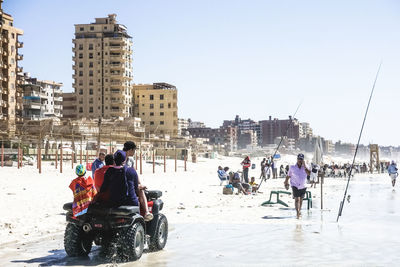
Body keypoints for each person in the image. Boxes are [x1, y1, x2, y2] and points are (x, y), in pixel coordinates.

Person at [123, 141, 153, 221]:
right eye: (134, 150)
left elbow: (135, 173)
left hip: (131, 183)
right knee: (140, 191)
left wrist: (139, 184)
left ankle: (146, 212)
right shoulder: (121, 159)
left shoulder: (131, 160)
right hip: (125, 184)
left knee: (141, 190)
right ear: (130, 150)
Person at [284, 153, 310, 219]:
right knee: (297, 199)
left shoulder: (306, 166)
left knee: (301, 200)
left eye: (301, 159)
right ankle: (298, 213)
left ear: (303, 160)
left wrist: (304, 166)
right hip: (294, 185)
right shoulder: (292, 167)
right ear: (297, 159)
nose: (300, 161)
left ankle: (299, 210)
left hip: (303, 185)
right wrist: (286, 182)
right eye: (299, 159)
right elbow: (288, 175)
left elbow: (309, 173)